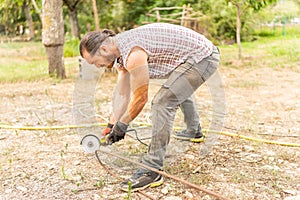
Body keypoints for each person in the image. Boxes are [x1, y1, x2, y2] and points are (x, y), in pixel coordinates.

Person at [79, 23, 220, 192]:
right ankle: (193, 130)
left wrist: (122, 125)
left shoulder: (133, 54)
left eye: (94, 62)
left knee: (163, 101)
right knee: (176, 87)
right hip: (187, 57)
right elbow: (122, 94)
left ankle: (153, 169)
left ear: (103, 49)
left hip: (203, 57)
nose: (97, 66)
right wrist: (111, 125)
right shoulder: (120, 53)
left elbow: (140, 98)